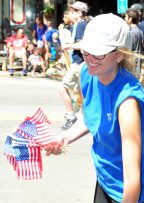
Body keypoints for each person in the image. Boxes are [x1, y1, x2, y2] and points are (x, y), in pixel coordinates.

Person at [44, 13, 144, 203]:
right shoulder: (88, 73)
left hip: (131, 192)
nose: (90, 58)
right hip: (105, 179)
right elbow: (90, 116)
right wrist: (64, 138)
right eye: (87, 50)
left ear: (119, 55)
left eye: (99, 53)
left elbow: (132, 178)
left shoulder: (127, 101)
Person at [58, 1, 88, 130]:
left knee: (62, 88)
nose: (70, 14)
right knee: (81, 93)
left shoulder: (81, 25)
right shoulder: (77, 26)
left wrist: (68, 45)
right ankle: (81, 116)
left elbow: (83, 44)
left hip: (79, 64)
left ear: (80, 13)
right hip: (77, 63)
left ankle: (71, 115)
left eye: (73, 11)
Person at [125, 8, 143, 80]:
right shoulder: (139, 31)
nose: (124, 18)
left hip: (131, 67)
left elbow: (128, 51)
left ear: (130, 19)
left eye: (126, 16)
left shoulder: (131, 33)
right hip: (137, 65)